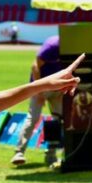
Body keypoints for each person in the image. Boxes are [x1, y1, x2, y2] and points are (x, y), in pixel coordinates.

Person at [10, 35, 64, 167]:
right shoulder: (52, 45)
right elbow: (35, 66)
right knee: (33, 118)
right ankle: (19, 152)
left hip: (58, 87)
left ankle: (51, 154)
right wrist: (39, 90)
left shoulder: (74, 47)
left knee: (60, 120)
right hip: (40, 85)